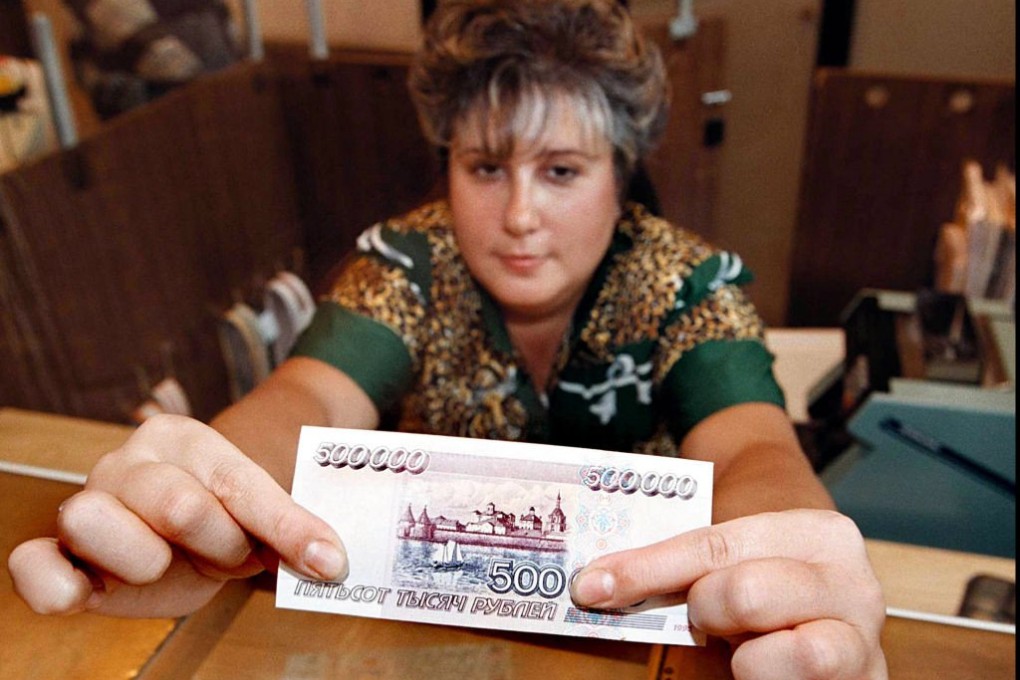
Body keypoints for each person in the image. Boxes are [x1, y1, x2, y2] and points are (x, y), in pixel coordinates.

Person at [9, 1, 888, 677]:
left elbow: (752, 445)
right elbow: (306, 398)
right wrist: (203, 489)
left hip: (640, 645)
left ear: (623, 177)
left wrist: (788, 560)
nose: (518, 217)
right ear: (447, 166)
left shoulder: (684, 284)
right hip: (433, 638)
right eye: (485, 168)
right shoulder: (411, 264)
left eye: (561, 172)